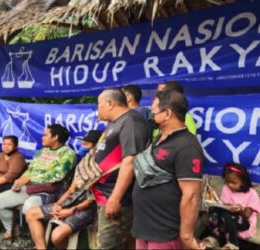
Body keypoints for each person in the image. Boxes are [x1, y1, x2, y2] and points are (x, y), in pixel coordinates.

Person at [132, 89, 204, 249]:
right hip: (144, 227)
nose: (150, 113)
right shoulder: (159, 138)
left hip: (164, 232)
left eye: (154, 111)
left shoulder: (187, 147)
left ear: (167, 113)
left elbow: (191, 195)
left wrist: (186, 236)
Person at [0, 124, 76, 241]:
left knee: (29, 208)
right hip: (30, 188)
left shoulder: (68, 153)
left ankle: (41, 240)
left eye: (45, 135)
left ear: (55, 137)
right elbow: (30, 170)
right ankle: (12, 230)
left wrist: (30, 179)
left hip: (49, 192)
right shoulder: (41, 152)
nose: (42, 137)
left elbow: (58, 176)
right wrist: (19, 181)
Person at [26, 130, 102, 249]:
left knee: (56, 236)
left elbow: (93, 199)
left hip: (88, 209)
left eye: (86, 145)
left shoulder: (100, 167)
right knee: (31, 214)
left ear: (96, 147)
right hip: (72, 202)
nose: (83, 147)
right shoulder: (83, 164)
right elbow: (72, 189)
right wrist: (58, 204)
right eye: (83, 143)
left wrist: (71, 211)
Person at [93, 88, 150, 249]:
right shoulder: (116, 123)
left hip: (118, 198)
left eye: (99, 104)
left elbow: (130, 160)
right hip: (104, 195)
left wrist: (115, 198)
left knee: (108, 246)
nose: (98, 109)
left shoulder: (131, 122)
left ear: (110, 103)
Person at [202, 163, 260, 250]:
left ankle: (233, 244)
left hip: (244, 222)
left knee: (228, 215)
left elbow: (247, 215)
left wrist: (239, 210)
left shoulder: (252, 193)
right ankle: (214, 237)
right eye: (227, 182)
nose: (230, 185)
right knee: (213, 209)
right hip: (227, 218)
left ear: (243, 181)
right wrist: (215, 199)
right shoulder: (226, 188)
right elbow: (223, 206)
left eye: (234, 182)